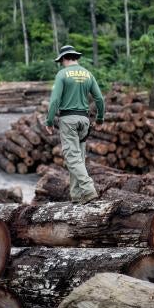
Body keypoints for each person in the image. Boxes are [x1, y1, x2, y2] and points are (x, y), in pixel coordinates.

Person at [46, 45, 105, 204]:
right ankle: (76, 196)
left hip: (68, 120)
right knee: (78, 158)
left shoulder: (62, 74)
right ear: (76, 57)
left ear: (64, 59)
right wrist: (99, 119)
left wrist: (49, 121)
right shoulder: (88, 74)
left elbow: (55, 101)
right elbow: (99, 99)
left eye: (61, 61)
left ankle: (88, 189)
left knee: (72, 158)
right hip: (84, 121)